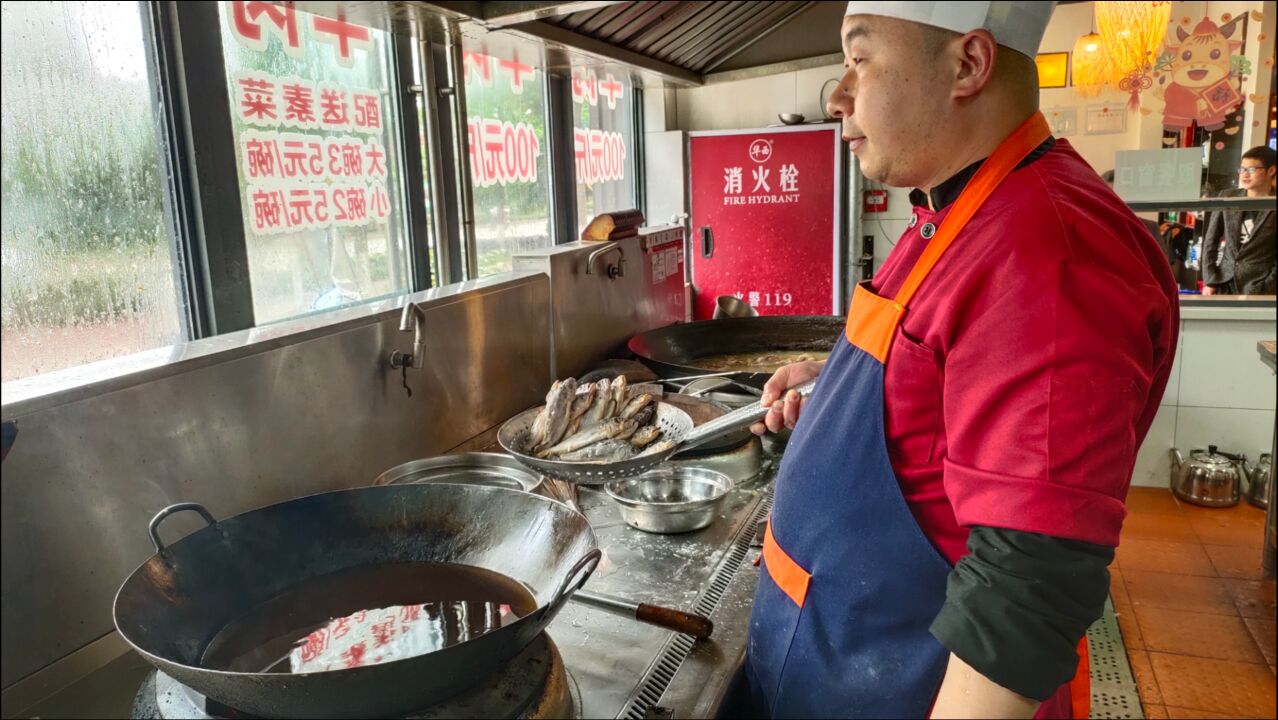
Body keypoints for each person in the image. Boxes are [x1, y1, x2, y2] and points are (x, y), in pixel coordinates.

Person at [745, 3, 1179, 719]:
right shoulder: (957, 212)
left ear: (969, 65)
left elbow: (1026, 586)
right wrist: (847, 390)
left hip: (910, 689)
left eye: (860, 58)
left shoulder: (1049, 256)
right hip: (841, 658)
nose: (837, 95)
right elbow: (951, 377)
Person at [1201, 146, 1277, 295]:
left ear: (1271, 170)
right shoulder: (1228, 197)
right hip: (1222, 283)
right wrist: (1210, 280)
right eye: (1242, 169)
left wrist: (1267, 285)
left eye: (1251, 169)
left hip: (1261, 286)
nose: (1244, 175)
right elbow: (1210, 241)